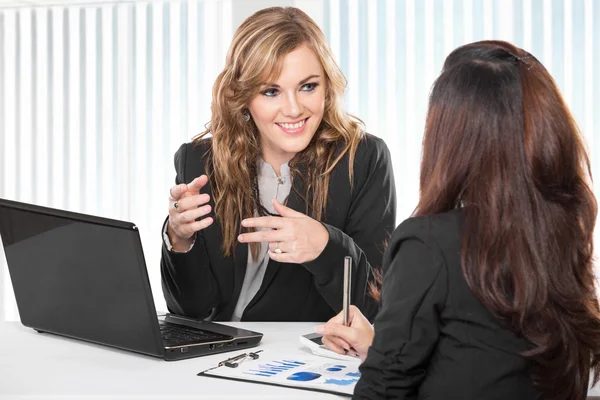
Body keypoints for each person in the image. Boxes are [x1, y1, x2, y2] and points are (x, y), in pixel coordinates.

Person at [316, 40, 600, 400]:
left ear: (450, 136)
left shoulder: (429, 244)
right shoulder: (560, 229)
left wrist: (385, 363)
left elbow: (380, 393)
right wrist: (383, 351)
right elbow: (489, 363)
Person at [160, 7, 396, 323]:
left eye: (308, 86)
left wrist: (325, 246)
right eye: (271, 91)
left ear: (327, 85)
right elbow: (191, 313)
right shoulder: (199, 161)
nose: (294, 108)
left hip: (302, 357)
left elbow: (376, 310)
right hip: (215, 356)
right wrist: (179, 238)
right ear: (242, 96)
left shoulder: (363, 158)